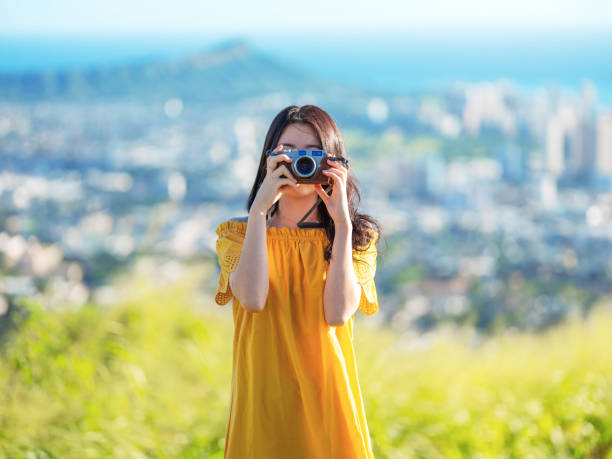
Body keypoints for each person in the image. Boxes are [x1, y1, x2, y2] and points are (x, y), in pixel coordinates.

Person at [214, 104, 384, 458]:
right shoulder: (237, 235)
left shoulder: (357, 239)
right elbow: (253, 298)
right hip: (261, 409)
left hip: (329, 407)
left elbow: (337, 313)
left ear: (334, 164)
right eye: (287, 152)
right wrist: (259, 212)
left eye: (312, 154)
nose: (299, 163)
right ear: (268, 160)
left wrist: (342, 227)